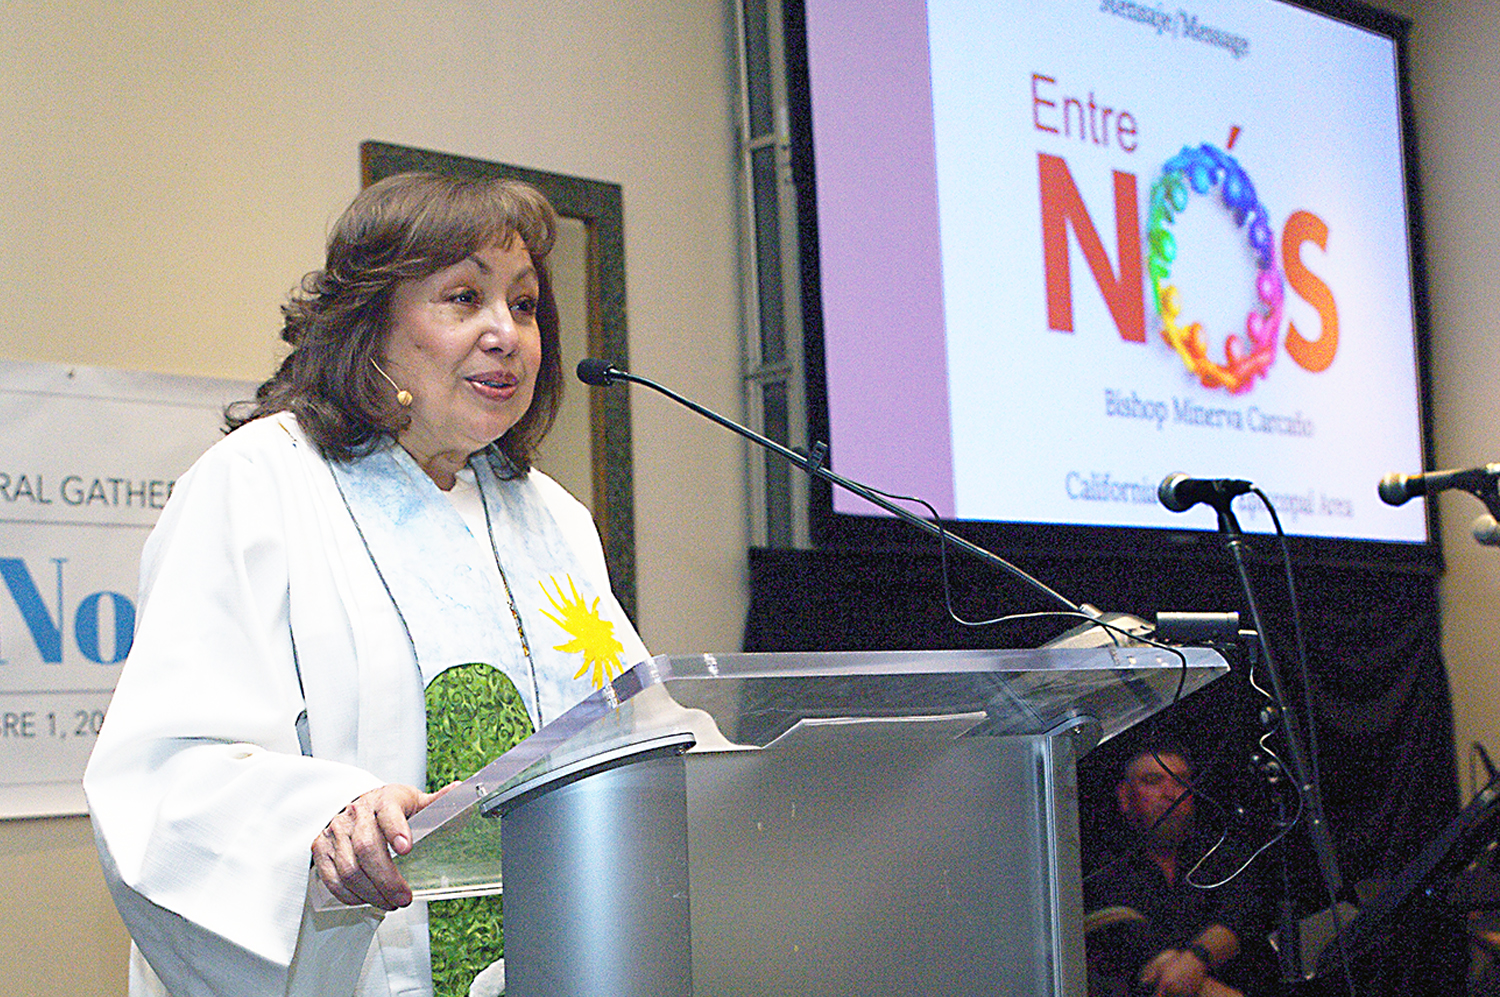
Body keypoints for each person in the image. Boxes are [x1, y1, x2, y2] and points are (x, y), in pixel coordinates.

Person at [83, 172, 649, 997]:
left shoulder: (553, 519)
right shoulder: (259, 485)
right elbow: (164, 778)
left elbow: (634, 734)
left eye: (524, 305)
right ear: (372, 323)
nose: (507, 334)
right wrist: (322, 818)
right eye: (464, 297)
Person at [1084, 745, 1254, 997]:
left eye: (1181, 781)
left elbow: (1242, 916)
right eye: (1153, 781)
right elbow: (1148, 959)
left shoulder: (1216, 854)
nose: (1170, 793)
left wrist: (1196, 960)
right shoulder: (1101, 867)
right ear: (1124, 796)